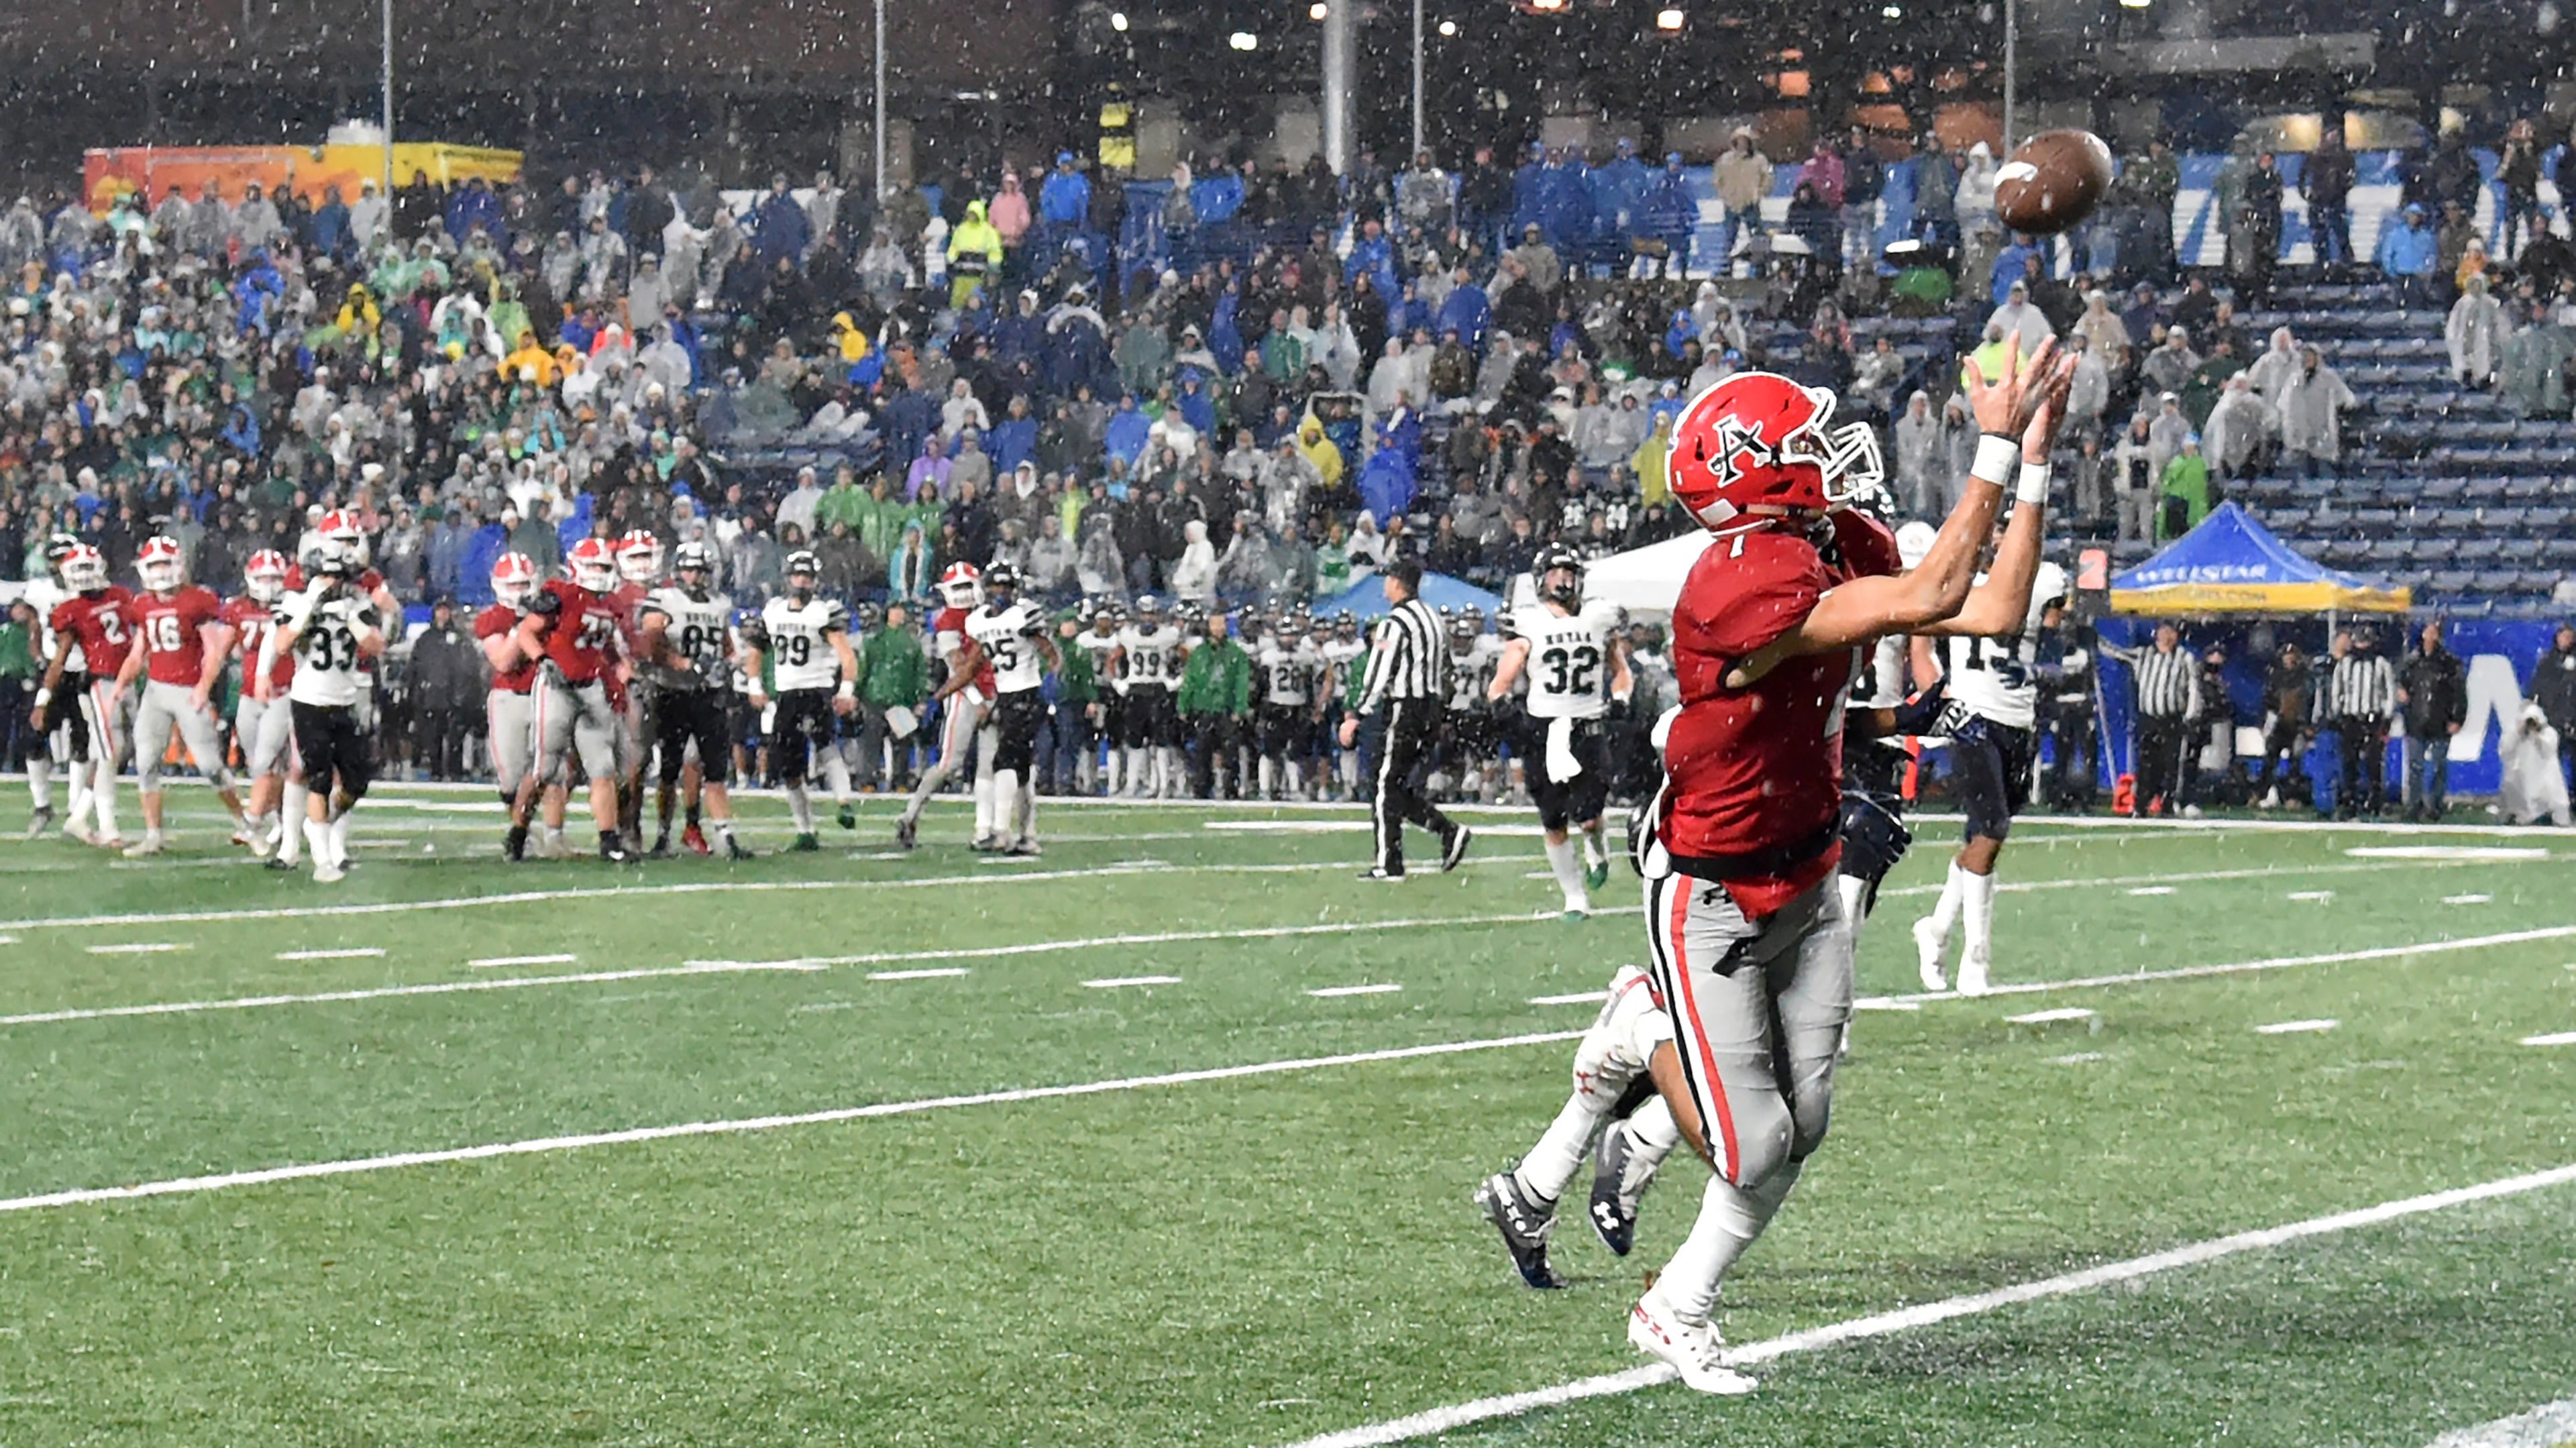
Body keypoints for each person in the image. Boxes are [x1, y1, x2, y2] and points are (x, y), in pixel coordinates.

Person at [1601, 349, 2068, 1394]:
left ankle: (1673, 1306)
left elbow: (1989, 610)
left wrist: (2033, 463)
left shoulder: (1823, 539)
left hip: (1807, 875)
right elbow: (1941, 583)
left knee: (1802, 1127)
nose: (1824, 453)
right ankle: (1641, 1021)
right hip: (1712, 889)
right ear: (1752, 474)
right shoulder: (1738, 579)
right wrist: (1991, 443)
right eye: (1799, 444)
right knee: (1753, 1139)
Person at [1910, 539, 2072, 997]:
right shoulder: (1961, 586)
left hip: (2019, 721)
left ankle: (1937, 927)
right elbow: (1920, 640)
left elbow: (2057, 625)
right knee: (1992, 829)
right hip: (1973, 718)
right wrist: (1942, 700)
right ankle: (1976, 959)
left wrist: (2038, 666)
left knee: (1982, 836)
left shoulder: (2040, 581)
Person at [1484, 543, 1629, 918]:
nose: (1563, 581)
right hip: (1545, 731)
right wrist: (1505, 708)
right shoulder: (1528, 622)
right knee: (1553, 819)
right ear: (1540, 581)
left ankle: (1597, 843)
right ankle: (1575, 898)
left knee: (1590, 816)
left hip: (1587, 728)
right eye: (1555, 574)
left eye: (1569, 574)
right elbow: (1500, 683)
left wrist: (1622, 697)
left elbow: (1621, 671)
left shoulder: (1599, 617)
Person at [1338, 558, 1472, 881]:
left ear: (1398, 583)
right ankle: (1447, 831)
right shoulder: (1434, 619)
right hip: (1431, 708)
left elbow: (1379, 672)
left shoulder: (1394, 623)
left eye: (1388, 580)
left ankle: (1390, 861)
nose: (1384, 586)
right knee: (1396, 785)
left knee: (1384, 784)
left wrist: (1357, 713)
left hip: (1404, 707)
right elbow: (1447, 669)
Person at [504, 537, 633, 864]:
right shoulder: (561, 594)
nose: (600, 572)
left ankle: (609, 842)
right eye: (595, 566)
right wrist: (542, 660)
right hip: (557, 687)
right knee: (545, 768)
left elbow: (604, 648)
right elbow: (526, 632)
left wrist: (620, 669)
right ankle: (517, 833)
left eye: (604, 566)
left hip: (590, 688)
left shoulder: (610, 604)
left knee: (603, 767)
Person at [268, 538, 388, 883]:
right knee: (318, 779)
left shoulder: (357, 602)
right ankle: (323, 860)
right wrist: (309, 609)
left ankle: (317, 824)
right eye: (325, 575)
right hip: (309, 700)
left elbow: (377, 645)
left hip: (346, 700)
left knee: (356, 782)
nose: (331, 583)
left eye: (336, 576)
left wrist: (351, 618)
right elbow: (281, 644)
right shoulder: (294, 600)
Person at [637, 541, 752, 858]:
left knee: (714, 769)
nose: (695, 575)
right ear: (678, 570)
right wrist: (686, 664)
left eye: (701, 570)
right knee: (670, 770)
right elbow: (652, 643)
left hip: (709, 695)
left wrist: (731, 662)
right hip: (673, 692)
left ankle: (724, 836)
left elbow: (727, 645)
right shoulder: (664, 599)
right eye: (690, 569)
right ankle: (663, 834)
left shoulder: (719, 604)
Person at [743, 549, 861, 852]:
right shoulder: (773, 611)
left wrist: (846, 690)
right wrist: (754, 685)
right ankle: (806, 829)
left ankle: (844, 801)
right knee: (789, 767)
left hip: (816, 689)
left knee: (826, 746)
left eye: (807, 577)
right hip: (787, 694)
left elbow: (847, 655)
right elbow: (755, 652)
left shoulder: (823, 612)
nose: (802, 582)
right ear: (787, 578)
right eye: (798, 576)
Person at [31, 543, 133, 849]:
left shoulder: (120, 595)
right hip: (98, 685)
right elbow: (60, 660)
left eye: (90, 568)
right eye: (80, 570)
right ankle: (108, 826)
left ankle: (79, 816)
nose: (86, 576)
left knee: (119, 753)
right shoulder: (70, 611)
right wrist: (42, 700)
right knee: (108, 754)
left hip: (127, 682)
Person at [896, 563, 1002, 850]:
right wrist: (979, 702)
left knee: (989, 765)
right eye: (959, 588)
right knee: (949, 765)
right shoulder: (948, 622)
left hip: (996, 691)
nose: (965, 594)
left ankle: (983, 830)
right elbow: (958, 670)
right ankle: (910, 815)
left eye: (968, 586)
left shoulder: (989, 613)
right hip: (966, 696)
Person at [954, 561, 1057, 855]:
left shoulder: (1021, 614)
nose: (1000, 592)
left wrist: (1050, 681)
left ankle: (1001, 832)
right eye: (996, 586)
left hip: (1025, 692)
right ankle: (1028, 835)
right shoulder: (980, 621)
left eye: (1006, 587)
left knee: (1004, 763)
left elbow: (1051, 652)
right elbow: (973, 664)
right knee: (1022, 770)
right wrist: (944, 691)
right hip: (1007, 695)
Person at [219, 550, 294, 856]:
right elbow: (226, 649)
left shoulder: (293, 606)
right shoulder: (237, 609)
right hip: (249, 695)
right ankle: (281, 820)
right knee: (259, 766)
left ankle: (252, 823)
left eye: (275, 578)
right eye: (262, 578)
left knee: (266, 761)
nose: (268, 584)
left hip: (282, 692)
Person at [1110, 594, 1189, 799]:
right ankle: (1132, 785)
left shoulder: (1168, 635)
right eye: (1145, 614)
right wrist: (1118, 681)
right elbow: (1112, 659)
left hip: (1158, 689)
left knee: (1161, 741)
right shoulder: (1128, 636)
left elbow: (1187, 656)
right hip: (1136, 689)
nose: (1148, 619)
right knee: (1135, 741)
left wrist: (1179, 679)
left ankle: (1162, 786)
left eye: (1152, 614)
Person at [1178, 609, 1252, 799]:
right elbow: (1190, 680)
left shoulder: (1236, 653)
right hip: (1204, 708)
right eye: (1215, 624)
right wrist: (1184, 705)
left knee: (1230, 753)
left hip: (1226, 709)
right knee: (1202, 752)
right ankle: (1202, 789)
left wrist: (1239, 707)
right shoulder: (1199, 654)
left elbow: (1241, 682)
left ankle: (1230, 789)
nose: (1219, 629)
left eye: (1222, 625)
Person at [2324, 626, 2397, 820]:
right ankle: (2350, 803)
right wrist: (2338, 713)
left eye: (2366, 641)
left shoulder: (2380, 664)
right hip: (2351, 718)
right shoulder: (2345, 664)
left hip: (2372, 718)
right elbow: (2337, 690)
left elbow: (2389, 692)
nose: (2362, 645)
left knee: (2373, 763)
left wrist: (2386, 718)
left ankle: (2375, 802)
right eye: (2359, 641)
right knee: (2349, 763)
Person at [2398, 619, 2467, 821]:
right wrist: (2402, 694)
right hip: (2417, 720)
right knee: (2415, 767)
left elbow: (2459, 694)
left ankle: (2434, 805)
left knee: (2437, 765)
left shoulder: (2448, 663)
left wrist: (2457, 718)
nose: (2430, 637)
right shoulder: (2412, 661)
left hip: (2439, 720)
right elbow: (2402, 685)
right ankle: (2415, 805)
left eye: (2433, 633)